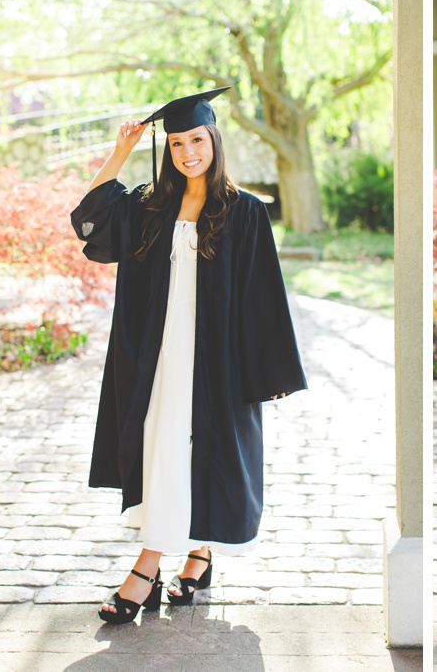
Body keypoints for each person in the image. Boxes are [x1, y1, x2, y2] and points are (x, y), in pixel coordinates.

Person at [70, 88, 307, 624]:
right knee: (163, 445)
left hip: (216, 358)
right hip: (158, 353)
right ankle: (192, 557)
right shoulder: (149, 206)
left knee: (203, 451)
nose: (186, 152)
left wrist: (268, 371)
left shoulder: (244, 211)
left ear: (213, 141)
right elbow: (89, 221)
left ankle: (152, 566)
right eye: (176, 143)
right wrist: (120, 153)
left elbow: (264, 293)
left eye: (196, 140)